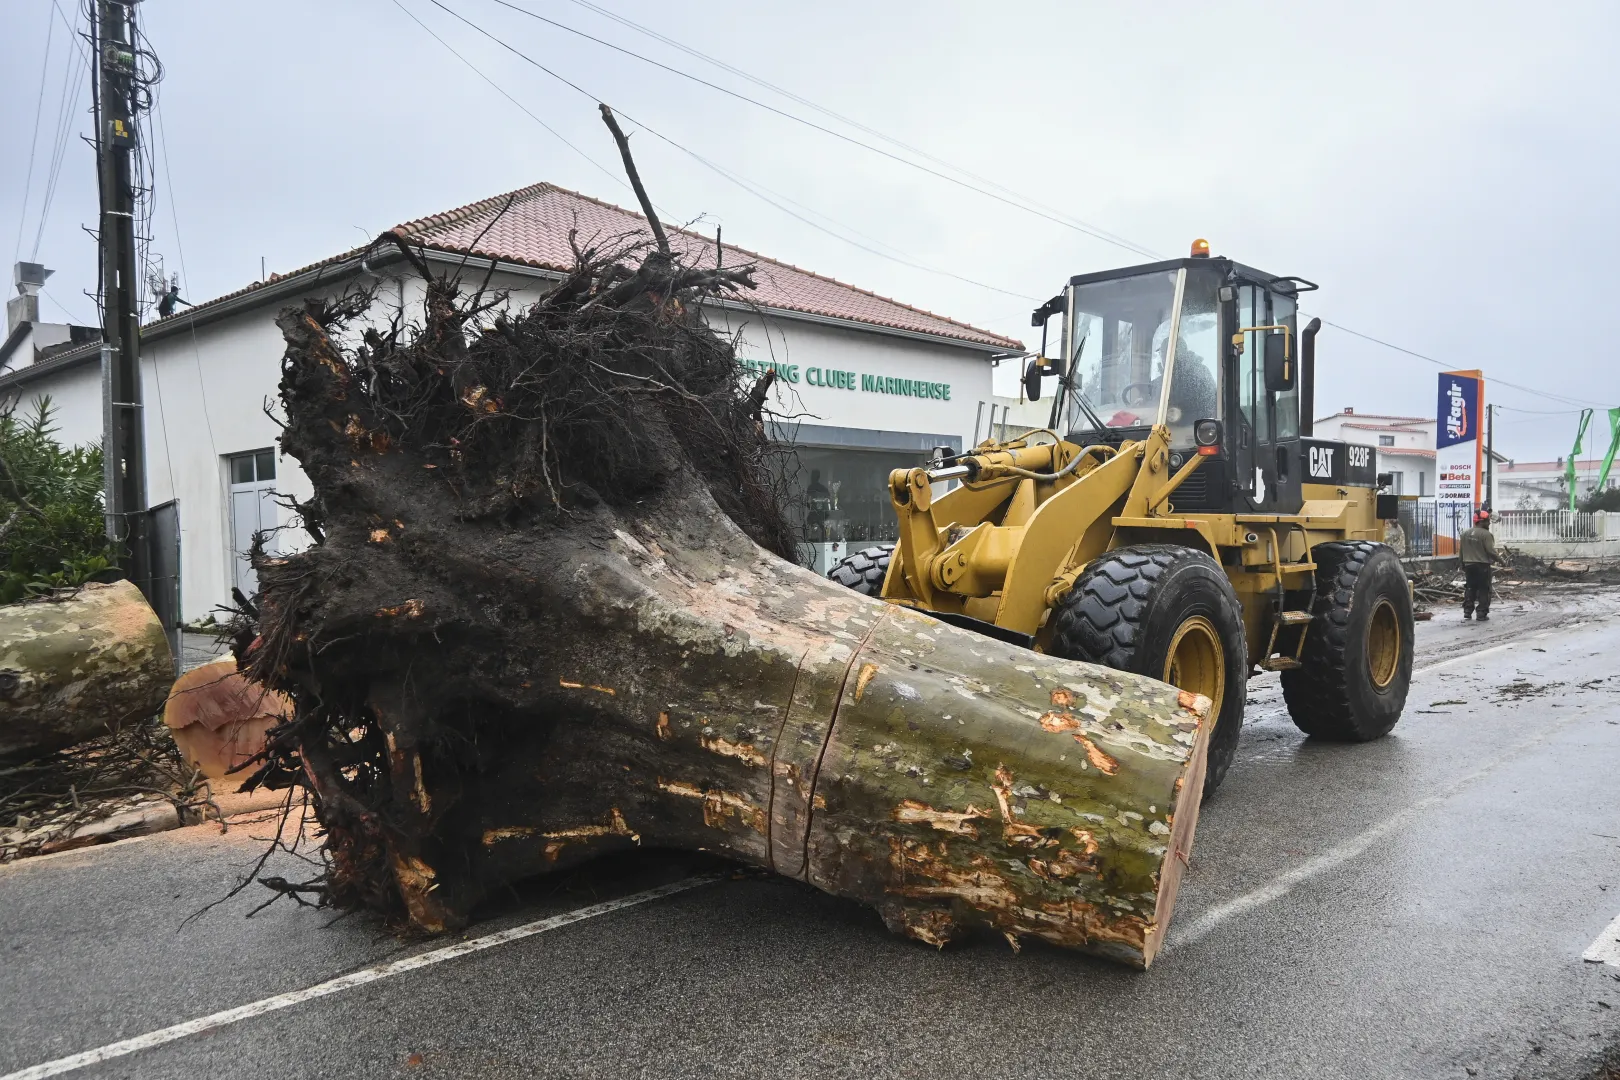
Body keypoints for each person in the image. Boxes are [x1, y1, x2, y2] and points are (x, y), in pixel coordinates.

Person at [1460, 510, 1505, 621]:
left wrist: (1462, 565)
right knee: (1484, 589)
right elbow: (1490, 551)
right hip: (1482, 566)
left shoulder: (1465, 534)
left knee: (1470, 588)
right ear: (1481, 522)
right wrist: (1501, 561)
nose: (1489, 523)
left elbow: (1461, 551)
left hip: (1469, 566)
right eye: (1487, 521)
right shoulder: (1486, 534)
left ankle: (1467, 611)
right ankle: (1481, 613)